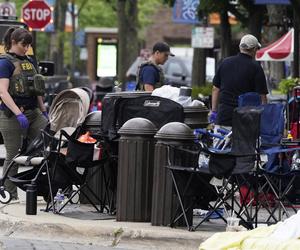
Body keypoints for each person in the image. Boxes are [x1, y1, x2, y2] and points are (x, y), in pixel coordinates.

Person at [0, 27, 48, 201]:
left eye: (29, 45)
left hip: (34, 113)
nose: (26, 48)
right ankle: (7, 193)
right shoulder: (5, 62)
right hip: (11, 115)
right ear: (13, 42)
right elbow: (3, 92)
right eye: (23, 44)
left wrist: (43, 111)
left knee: (49, 145)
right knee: (13, 154)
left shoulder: (30, 61)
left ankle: (45, 188)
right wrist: (18, 114)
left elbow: (37, 89)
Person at [210, 34, 268, 128]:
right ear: (253, 49)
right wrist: (265, 116)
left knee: (221, 142)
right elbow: (262, 96)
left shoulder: (224, 62)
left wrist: (214, 111)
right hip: (246, 119)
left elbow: (216, 89)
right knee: (244, 143)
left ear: (240, 47)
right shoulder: (256, 67)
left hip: (224, 117)